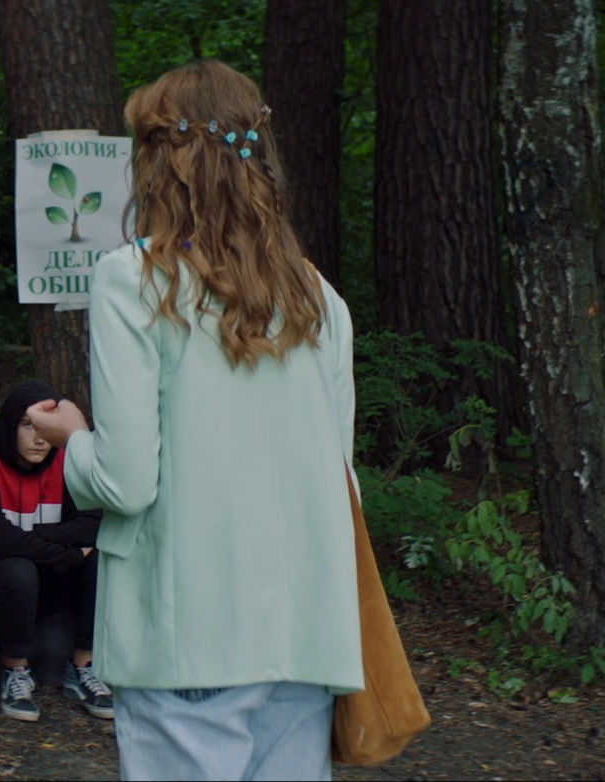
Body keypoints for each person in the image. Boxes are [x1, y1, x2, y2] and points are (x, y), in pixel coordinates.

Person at [25, 61, 360, 781]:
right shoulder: (318, 297)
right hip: (307, 631)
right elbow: (342, 480)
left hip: (186, 630)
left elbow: (127, 480)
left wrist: (72, 441)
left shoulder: (134, 279)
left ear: (160, 162)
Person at [0, 380, 106, 724]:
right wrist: (72, 553)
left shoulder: (67, 465)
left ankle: (83, 665)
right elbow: (2, 543)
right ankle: (15, 672)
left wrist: (33, 535)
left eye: (46, 428)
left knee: (101, 560)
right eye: (28, 425)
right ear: (10, 426)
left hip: (44, 581)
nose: (39, 438)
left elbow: (93, 524)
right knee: (17, 567)